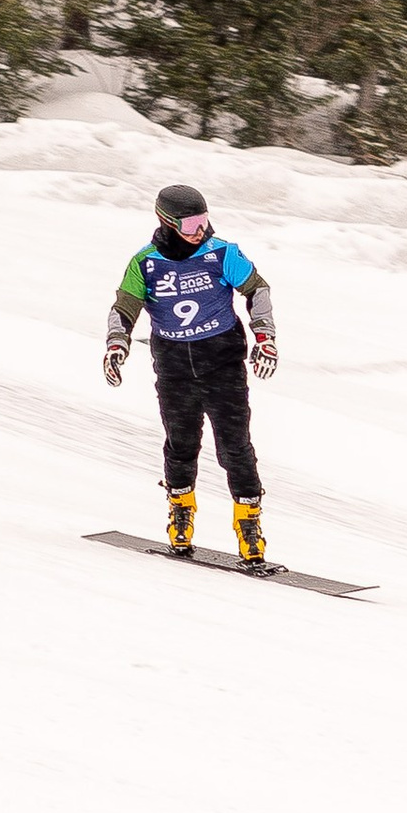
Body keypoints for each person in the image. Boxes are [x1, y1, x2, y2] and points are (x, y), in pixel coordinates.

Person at [104, 180, 280, 566]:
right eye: (189, 224)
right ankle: (180, 514)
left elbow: (257, 289)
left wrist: (264, 336)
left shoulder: (222, 253)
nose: (199, 230)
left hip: (222, 363)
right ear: (166, 223)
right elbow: (125, 307)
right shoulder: (146, 262)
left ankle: (249, 526)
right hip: (174, 367)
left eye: (203, 220)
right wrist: (117, 343)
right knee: (181, 445)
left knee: (235, 447)